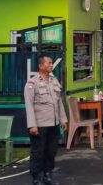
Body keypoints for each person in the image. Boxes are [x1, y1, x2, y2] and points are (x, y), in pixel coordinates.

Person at [24, 55, 68, 185]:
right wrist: (32, 125)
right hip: (40, 124)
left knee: (51, 150)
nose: (51, 65)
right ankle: (36, 177)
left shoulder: (54, 81)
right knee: (38, 151)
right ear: (41, 66)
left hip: (53, 123)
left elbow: (59, 102)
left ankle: (48, 174)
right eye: (49, 63)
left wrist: (63, 120)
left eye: (52, 63)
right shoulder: (32, 83)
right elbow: (29, 105)